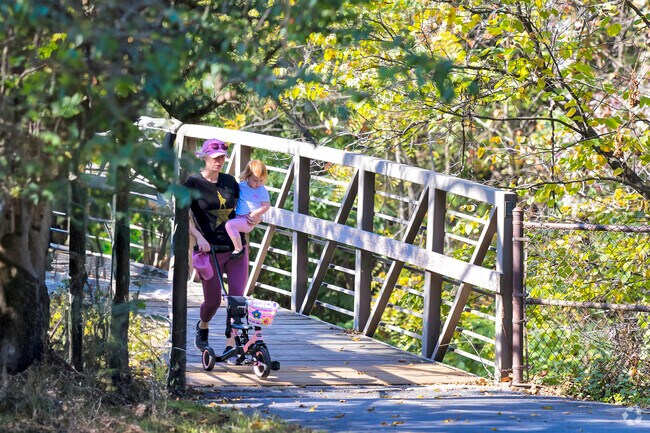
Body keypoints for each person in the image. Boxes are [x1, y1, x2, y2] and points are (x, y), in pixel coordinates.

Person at [184, 138, 262, 363]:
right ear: (205, 157)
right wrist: (198, 236)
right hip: (210, 251)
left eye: (222, 158)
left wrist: (254, 218)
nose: (219, 162)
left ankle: (232, 344)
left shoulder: (229, 182)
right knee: (213, 301)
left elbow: (247, 205)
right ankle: (203, 325)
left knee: (237, 300)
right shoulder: (193, 184)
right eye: (215, 158)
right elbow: (181, 217)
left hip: (236, 248)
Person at [225, 160, 271, 259]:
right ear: (247, 176)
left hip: (248, 220)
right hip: (238, 216)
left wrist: (255, 214)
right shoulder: (241, 186)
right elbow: (237, 198)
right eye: (255, 180)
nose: (258, 183)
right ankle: (234, 248)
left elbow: (266, 206)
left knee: (229, 225)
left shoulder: (262, 190)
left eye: (261, 180)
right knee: (229, 225)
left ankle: (238, 249)